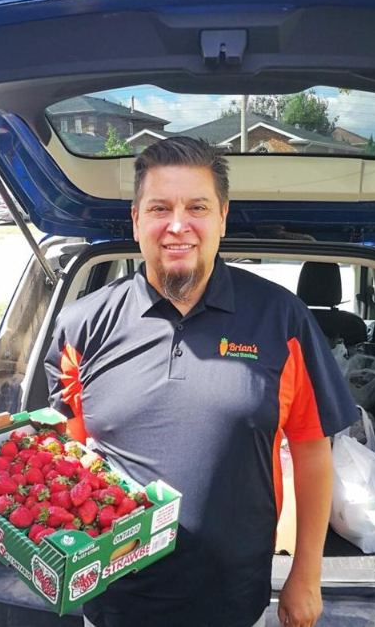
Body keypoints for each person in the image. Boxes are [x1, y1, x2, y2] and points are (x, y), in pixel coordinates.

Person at [45, 137, 359, 627]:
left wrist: (306, 574)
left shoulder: (281, 319)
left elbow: (313, 451)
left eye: (197, 207)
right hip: (113, 603)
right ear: (135, 219)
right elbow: (69, 460)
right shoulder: (81, 326)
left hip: (235, 601)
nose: (178, 225)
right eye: (159, 207)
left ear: (222, 216)